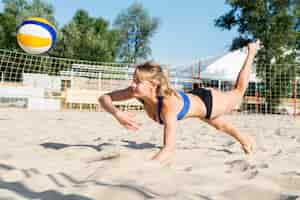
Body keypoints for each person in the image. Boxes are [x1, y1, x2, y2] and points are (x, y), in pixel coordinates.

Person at [99, 40, 261, 162]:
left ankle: (251, 52)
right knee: (220, 125)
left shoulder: (168, 105)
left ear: (153, 85)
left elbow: (168, 149)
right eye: (133, 80)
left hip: (209, 101)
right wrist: (117, 113)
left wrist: (147, 166)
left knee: (239, 91)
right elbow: (104, 98)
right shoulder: (136, 92)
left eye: (137, 81)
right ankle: (245, 140)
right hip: (193, 96)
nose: (132, 84)